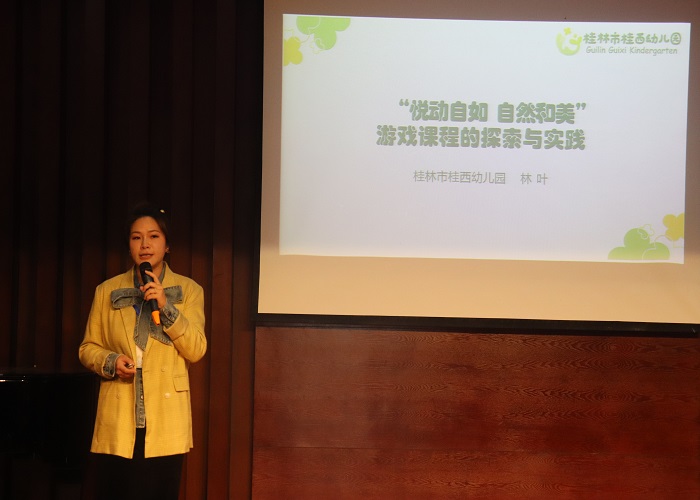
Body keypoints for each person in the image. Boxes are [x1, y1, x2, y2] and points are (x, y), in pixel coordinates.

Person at [79, 202, 207, 500]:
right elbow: (87, 348)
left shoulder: (189, 290)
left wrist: (165, 305)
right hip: (120, 409)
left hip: (166, 412)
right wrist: (110, 360)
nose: (145, 244)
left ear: (167, 245)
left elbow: (196, 349)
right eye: (137, 237)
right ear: (129, 245)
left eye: (154, 236)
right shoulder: (106, 290)